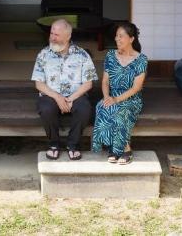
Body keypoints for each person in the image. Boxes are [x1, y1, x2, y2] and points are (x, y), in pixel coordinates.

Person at [31, 18, 97, 160]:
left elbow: (88, 83)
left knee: (84, 109)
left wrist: (70, 98)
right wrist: (57, 97)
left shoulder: (82, 55)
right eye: (51, 34)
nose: (52, 38)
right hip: (51, 95)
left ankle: (73, 145)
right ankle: (53, 144)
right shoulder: (43, 54)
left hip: (76, 95)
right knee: (46, 109)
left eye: (57, 35)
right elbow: (39, 83)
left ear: (68, 36)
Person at [91, 22, 147, 164]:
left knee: (120, 111)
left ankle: (125, 149)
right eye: (116, 36)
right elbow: (105, 81)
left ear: (131, 39)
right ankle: (115, 148)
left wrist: (116, 100)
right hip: (112, 96)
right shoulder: (110, 55)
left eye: (121, 36)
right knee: (102, 106)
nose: (117, 39)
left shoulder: (141, 59)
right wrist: (106, 97)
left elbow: (136, 88)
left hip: (131, 99)